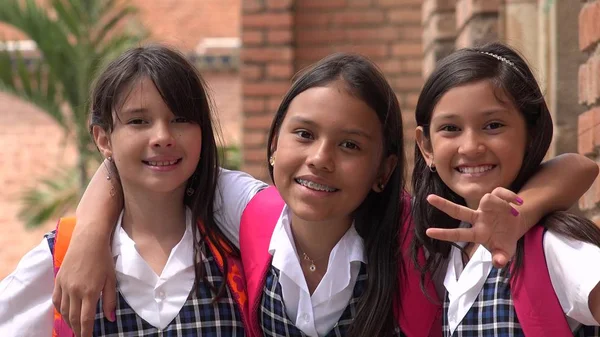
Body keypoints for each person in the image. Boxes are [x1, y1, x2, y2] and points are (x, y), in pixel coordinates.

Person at [51, 52, 598, 337]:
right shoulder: (250, 211)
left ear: (386, 169)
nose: (320, 159)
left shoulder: (421, 235)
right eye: (304, 134)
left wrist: (525, 214)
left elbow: (575, 166)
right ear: (272, 148)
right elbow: (150, 161)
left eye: (351, 145)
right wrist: (89, 233)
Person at [0, 45, 247, 336]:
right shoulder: (60, 259)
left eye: (180, 119)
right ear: (103, 139)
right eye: (138, 121)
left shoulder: (238, 244)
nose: (162, 137)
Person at [412, 42, 600, 336]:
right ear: (426, 147)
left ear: (531, 133)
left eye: (493, 125)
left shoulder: (552, 248)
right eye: (450, 128)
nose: (471, 146)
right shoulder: (435, 253)